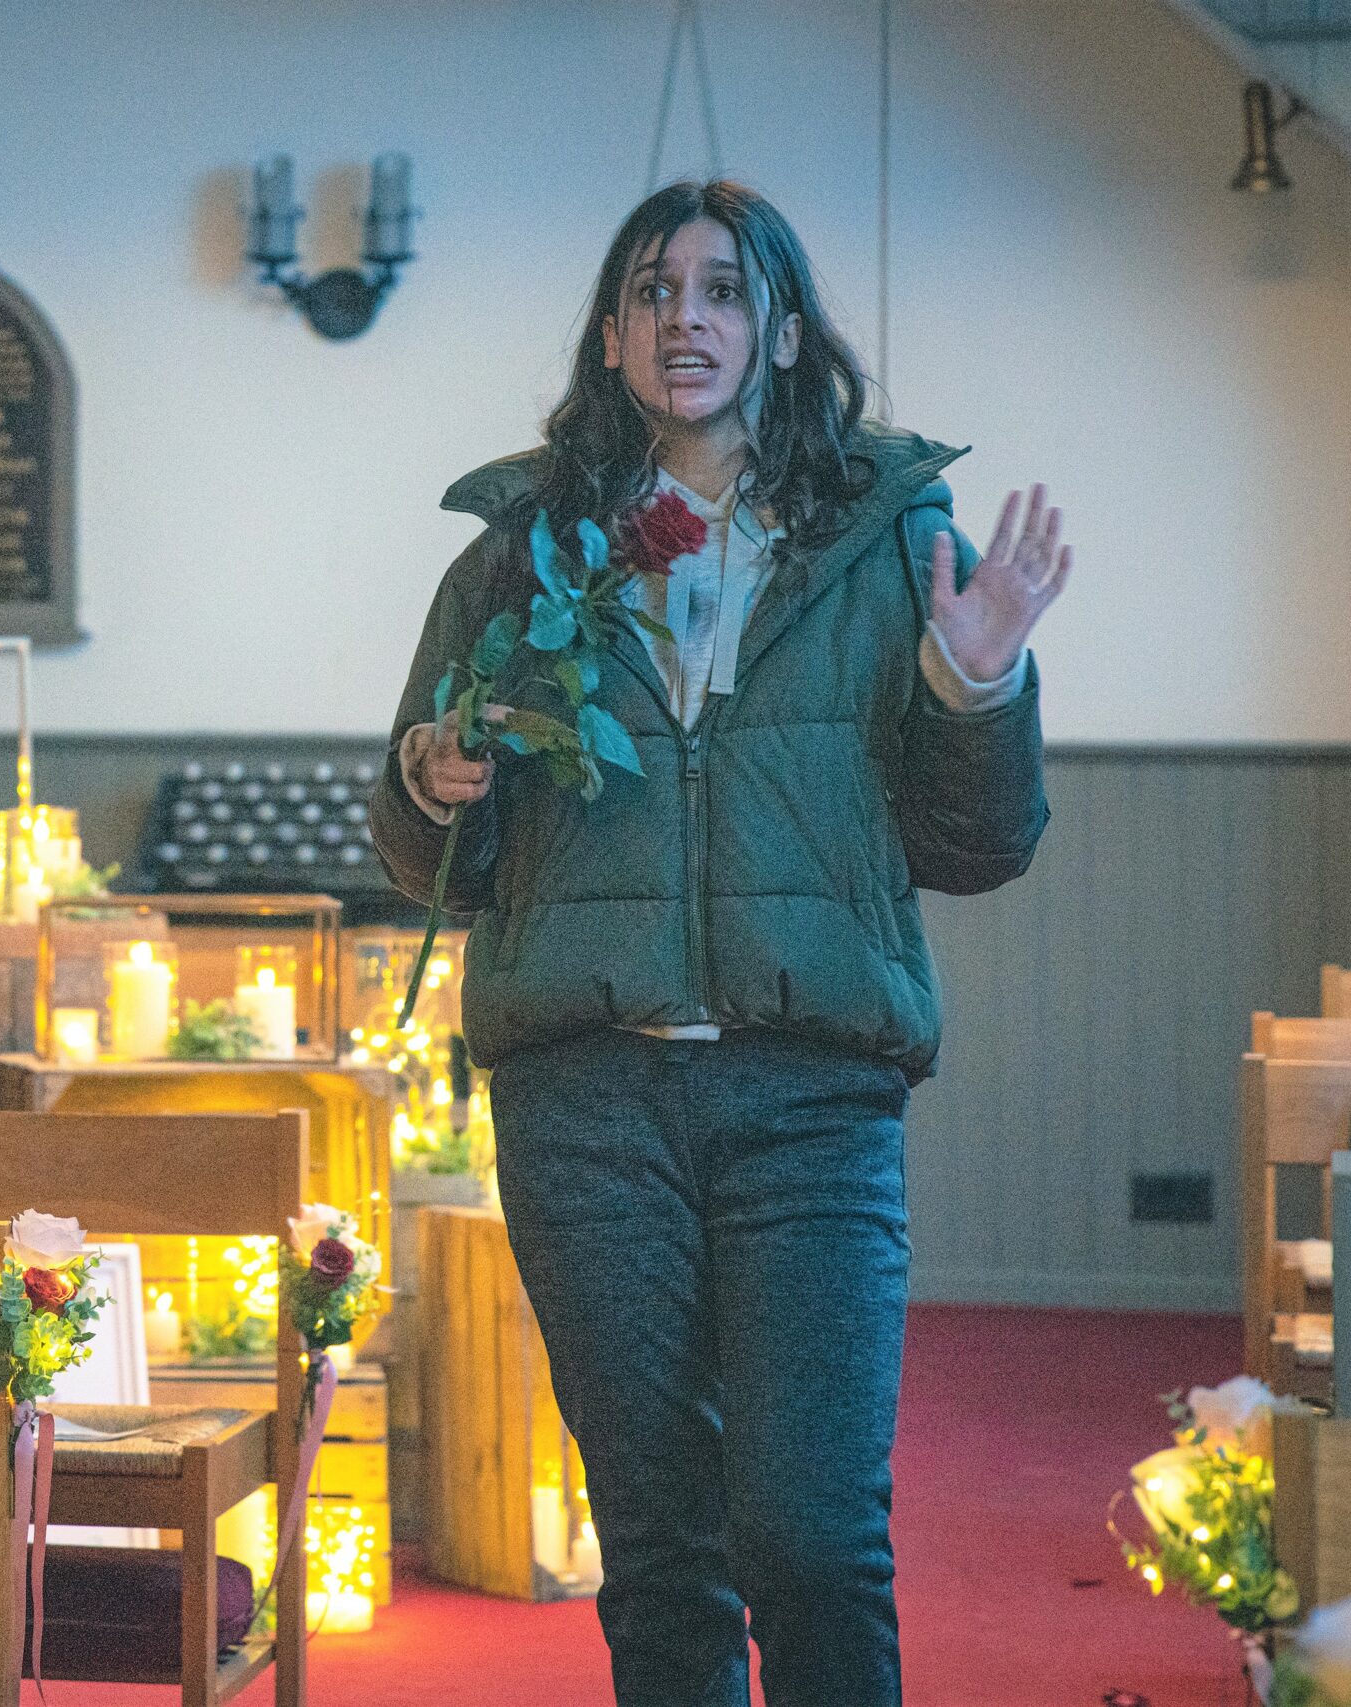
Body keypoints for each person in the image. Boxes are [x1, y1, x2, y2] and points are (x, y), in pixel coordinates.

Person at [369, 179, 1070, 1707]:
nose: (687, 317)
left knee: (813, 1537)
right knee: (663, 1548)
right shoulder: (514, 556)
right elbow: (430, 849)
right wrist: (435, 779)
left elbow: (976, 846)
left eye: (723, 290)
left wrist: (975, 688)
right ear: (614, 337)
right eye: (652, 291)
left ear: (784, 328)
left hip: (812, 1099)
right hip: (583, 1107)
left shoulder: (896, 547)